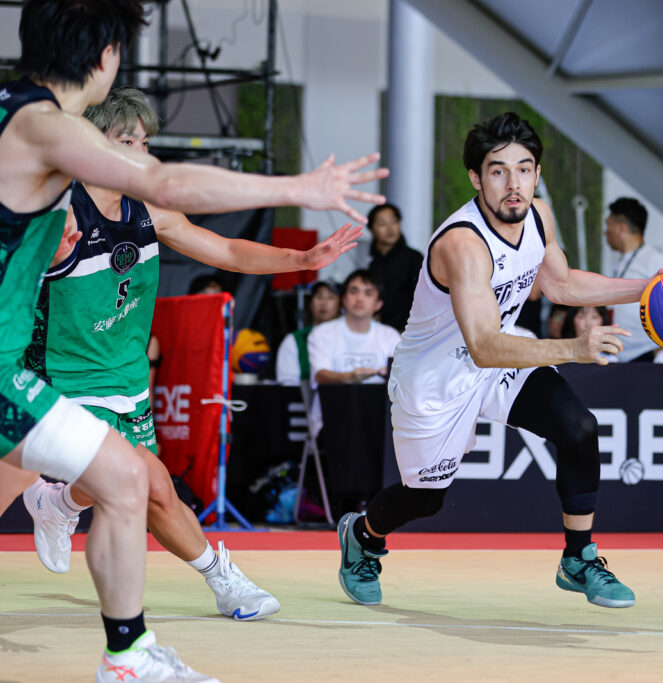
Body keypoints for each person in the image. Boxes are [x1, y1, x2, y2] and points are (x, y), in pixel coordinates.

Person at [0, 3, 385, 679]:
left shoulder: (26, 128)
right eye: (130, 140)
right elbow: (165, 178)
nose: (141, 151)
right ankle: (117, 619)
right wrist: (300, 186)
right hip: (40, 373)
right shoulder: (43, 127)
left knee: (131, 483)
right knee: (128, 483)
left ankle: (127, 650)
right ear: (105, 54)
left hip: (94, 380)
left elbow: (216, 239)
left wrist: (300, 259)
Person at [336, 112, 663, 611]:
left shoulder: (538, 215)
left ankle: (579, 559)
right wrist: (575, 348)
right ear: (476, 178)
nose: (514, 184)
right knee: (426, 498)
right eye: (498, 171)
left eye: (524, 169)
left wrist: (651, 287)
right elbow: (484, 346)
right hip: (436, 378)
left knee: (579, 427)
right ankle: (362, 536)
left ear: (537, 173)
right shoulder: (462, 244)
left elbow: (561, 284)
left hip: (500, 355)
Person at [603, 197, 663, 362]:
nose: (605, 232)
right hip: (620, 356)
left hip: (646, 356)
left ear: (621, 227)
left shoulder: (655, 260)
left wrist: (658, 351)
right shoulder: (621, 261)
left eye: (608, 224)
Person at [308, 269, 401, 386]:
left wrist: (391, 375)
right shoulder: (322, 333)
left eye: (368, 293)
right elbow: (320, 375)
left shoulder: (390, 336)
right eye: (354, 291)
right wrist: (349, 377)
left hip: (379, 398)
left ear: (378, 304)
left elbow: (403, 377)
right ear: (344, 299)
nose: (359, 298)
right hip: (334, 397)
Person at [366, 203, 423, 332]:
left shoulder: (413, 258)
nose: (390, 228)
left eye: (394, 222)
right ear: (371, 230)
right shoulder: (373, 263)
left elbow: (421, 298)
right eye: (382, 224)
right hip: (380, 331)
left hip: (407, 331)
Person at [275, 280, 342, 384]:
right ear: (311, 303)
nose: (323, 303)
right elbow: (288, 385)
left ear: (341, 305)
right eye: (319, 297)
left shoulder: (349, 337)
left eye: (330, 297)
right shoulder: (295, 340)